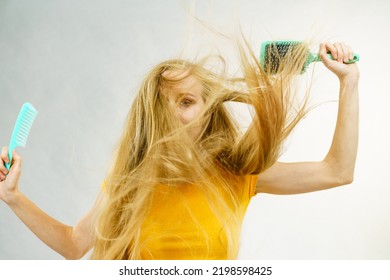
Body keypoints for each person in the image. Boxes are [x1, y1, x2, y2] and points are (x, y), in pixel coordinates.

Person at [0, 41, 359, 260]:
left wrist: (349, 81)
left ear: (208, 112)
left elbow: (337, 171)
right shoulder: (129, 179)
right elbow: (73, 245)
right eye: (163, 103)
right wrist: (13, 196)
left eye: (186, 101)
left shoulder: (237, 175)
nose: (173, 112)